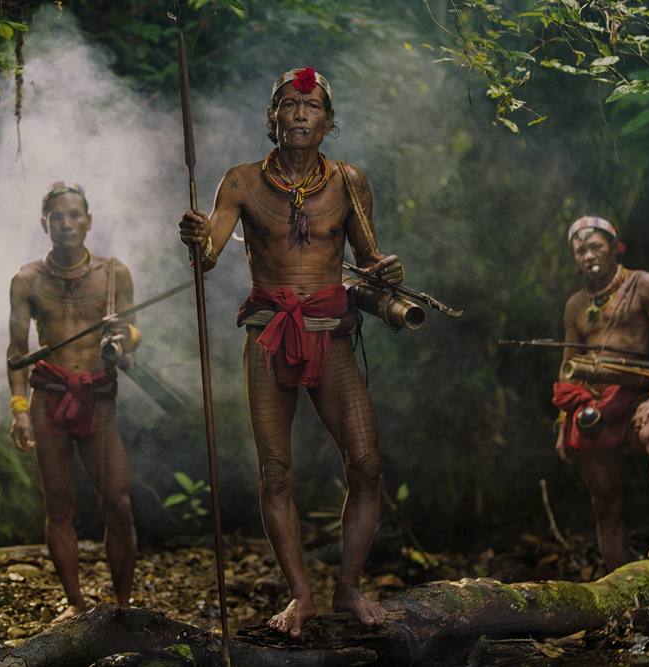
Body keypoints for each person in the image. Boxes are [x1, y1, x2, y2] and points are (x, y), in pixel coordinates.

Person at [179, 67, 403, 637]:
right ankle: (300, 596)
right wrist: (197, 238)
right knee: (276, 472)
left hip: (331, 333)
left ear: (329, 121)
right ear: (272, 116)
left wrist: (387, 270)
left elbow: (369, 260)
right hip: (269, 335)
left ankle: (347, 587)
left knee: (367, 464)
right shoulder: (241, 181)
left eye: (312, 106)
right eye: (289, 104)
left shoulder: (349, 181)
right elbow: (208, 257)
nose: (300, 114)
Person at [7, 182, 141, 622]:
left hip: (97, 398)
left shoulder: (114, 273)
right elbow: (17, 352)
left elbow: (133, 336)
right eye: (57, 217)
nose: (66, 223)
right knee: (59, 503)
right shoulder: (27, 279)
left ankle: (123, 607)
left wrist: (123, 338)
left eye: (74, 215)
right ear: (44, 224)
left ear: (88, 221)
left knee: (118, 501)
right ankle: (75, 603)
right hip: (48, 398)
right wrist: (19, 409)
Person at [553, 216, 649, 571]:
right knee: (603, 502)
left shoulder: (644, 284)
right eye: (580, 250)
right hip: (593, 407)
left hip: (637, 398)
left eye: (595, 246)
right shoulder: (575, 305)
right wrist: (563, 421)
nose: (588, 255)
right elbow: (568, 365)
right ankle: (618, 581)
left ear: (615, 247)